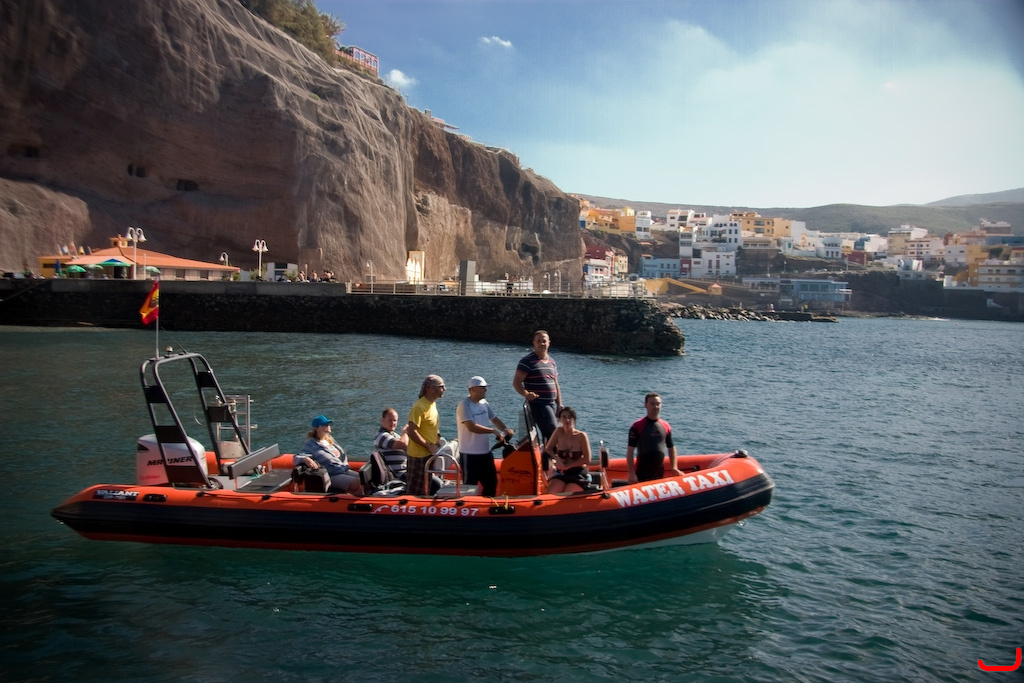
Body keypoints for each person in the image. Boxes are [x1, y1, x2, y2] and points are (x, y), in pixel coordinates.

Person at [457, 376, 514, 496]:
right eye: (482, 388)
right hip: (470, 454)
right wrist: (493, 431)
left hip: (485, 453)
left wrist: (505, 430)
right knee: (470, 486)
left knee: (491, 484)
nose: (485, 390)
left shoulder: (484, 403)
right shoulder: (464, 405)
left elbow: (494, 419)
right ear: (473, 389)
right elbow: (471, 427)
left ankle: (486, 505)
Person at [513, 330, 562, 463]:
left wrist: (560, 405)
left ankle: (549, 462)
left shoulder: (551, 361)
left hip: (552, 404)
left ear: (549, 343)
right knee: (554, 433)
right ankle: (557, 462)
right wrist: (526, 394)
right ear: (534, 343)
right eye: (539, 341)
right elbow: (516, 382)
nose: (542, 344)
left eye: (544, 341)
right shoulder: (527, 361)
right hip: (539, 404)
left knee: (553, 435)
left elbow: (556, 384)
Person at [294, 414, 362, 495]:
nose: (328, 426)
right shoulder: (311, 444)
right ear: (316, 428)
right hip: (331, 475)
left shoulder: (329, 440)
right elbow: (296, 457)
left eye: (328, 424)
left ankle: (370, 496)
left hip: (342, 470)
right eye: (324, 424)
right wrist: (306, 459)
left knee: (364, 479)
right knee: (356, 483)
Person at [626, 393, 682, 483]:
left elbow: (671, 448)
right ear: (645, 405)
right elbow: (630, 451)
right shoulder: (637, 426)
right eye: (652, 404)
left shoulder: (665, 426)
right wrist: (631, 473)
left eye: (658, 404)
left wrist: (674, 467)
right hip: (641, 473)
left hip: (659, 472)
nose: (656, 407)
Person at [406, 374, 446, 495]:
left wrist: (437, 439)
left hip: (429, 454)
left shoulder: (432, 404)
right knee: (416, 492)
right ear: (430, 388)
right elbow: (411, 431)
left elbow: (432, 426)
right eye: (441, 386)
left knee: (426, 488)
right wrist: (428, 446)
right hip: (418, 457)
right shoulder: (419, 407)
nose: (444, 389)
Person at [543, 406, 592, 494]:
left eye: (570, 417)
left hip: (577, 472)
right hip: (561, 472)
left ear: (574, 419)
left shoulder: (581, 436)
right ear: (560, 420)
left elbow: (587, 459)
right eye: (564, 417)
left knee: (567, 495)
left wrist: (568, 466)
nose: (567, 420)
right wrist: (556, 459)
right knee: (550, 494)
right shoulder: (558, 432)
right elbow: (548, 448)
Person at [374, 407, 408, 480]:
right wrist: (405, 432)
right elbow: (402, 444)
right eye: (390, 420)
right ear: (382, 420)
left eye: (394, 420)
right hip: (398, 475)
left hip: (406, 472)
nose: (393, 423)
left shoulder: (394, 435)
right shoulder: (382, 436)